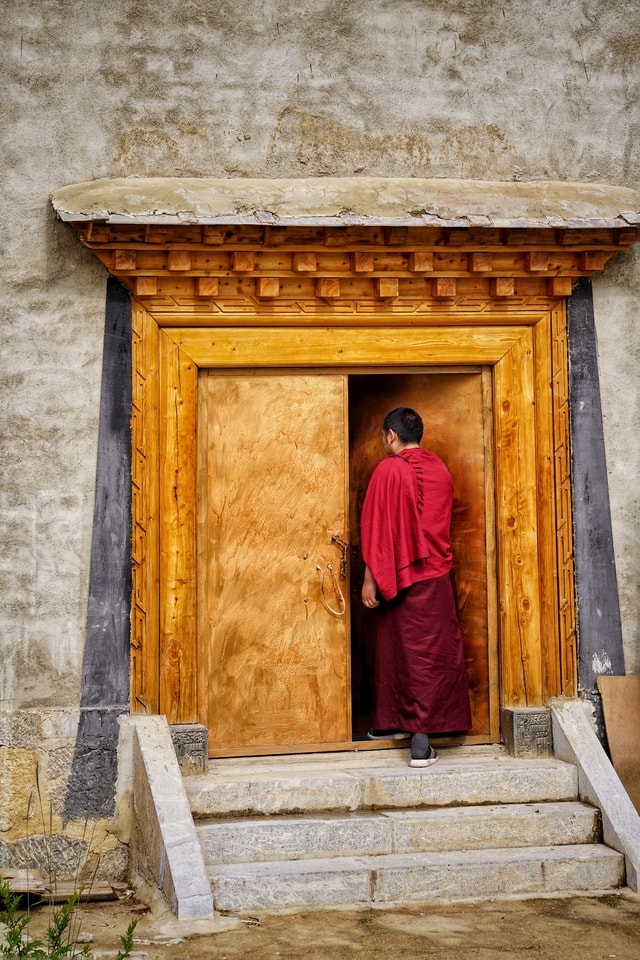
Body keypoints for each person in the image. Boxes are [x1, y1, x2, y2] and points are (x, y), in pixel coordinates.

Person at [360, 407, 471, 767]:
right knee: (427, 657)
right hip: (436, 576)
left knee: (395, 655)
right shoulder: (440, 469)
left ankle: (408, 739)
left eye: (383, 437)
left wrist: (369, 578)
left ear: (391, 435)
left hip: (398, 577)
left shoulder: (388, 470)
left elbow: (379, 528)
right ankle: (400, 730)